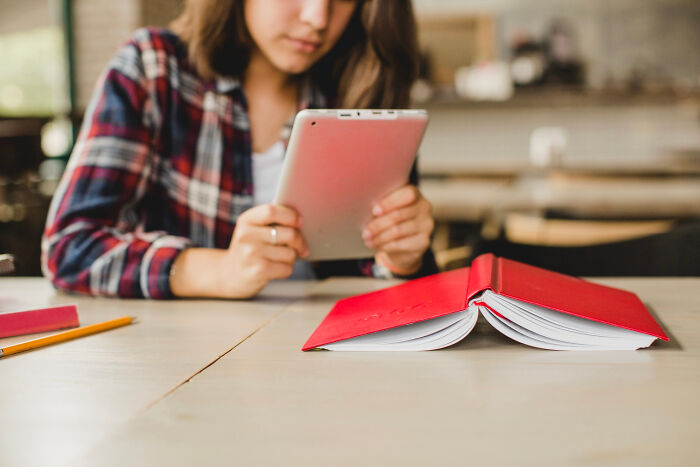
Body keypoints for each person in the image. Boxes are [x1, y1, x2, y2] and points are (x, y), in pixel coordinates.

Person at [42, 0, 437, 299]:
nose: (318, 18)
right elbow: (69, 248)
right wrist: (218, 271)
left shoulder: (362, 88)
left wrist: (401, 258)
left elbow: (391, 285)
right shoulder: (153, 69)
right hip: (186, 368)